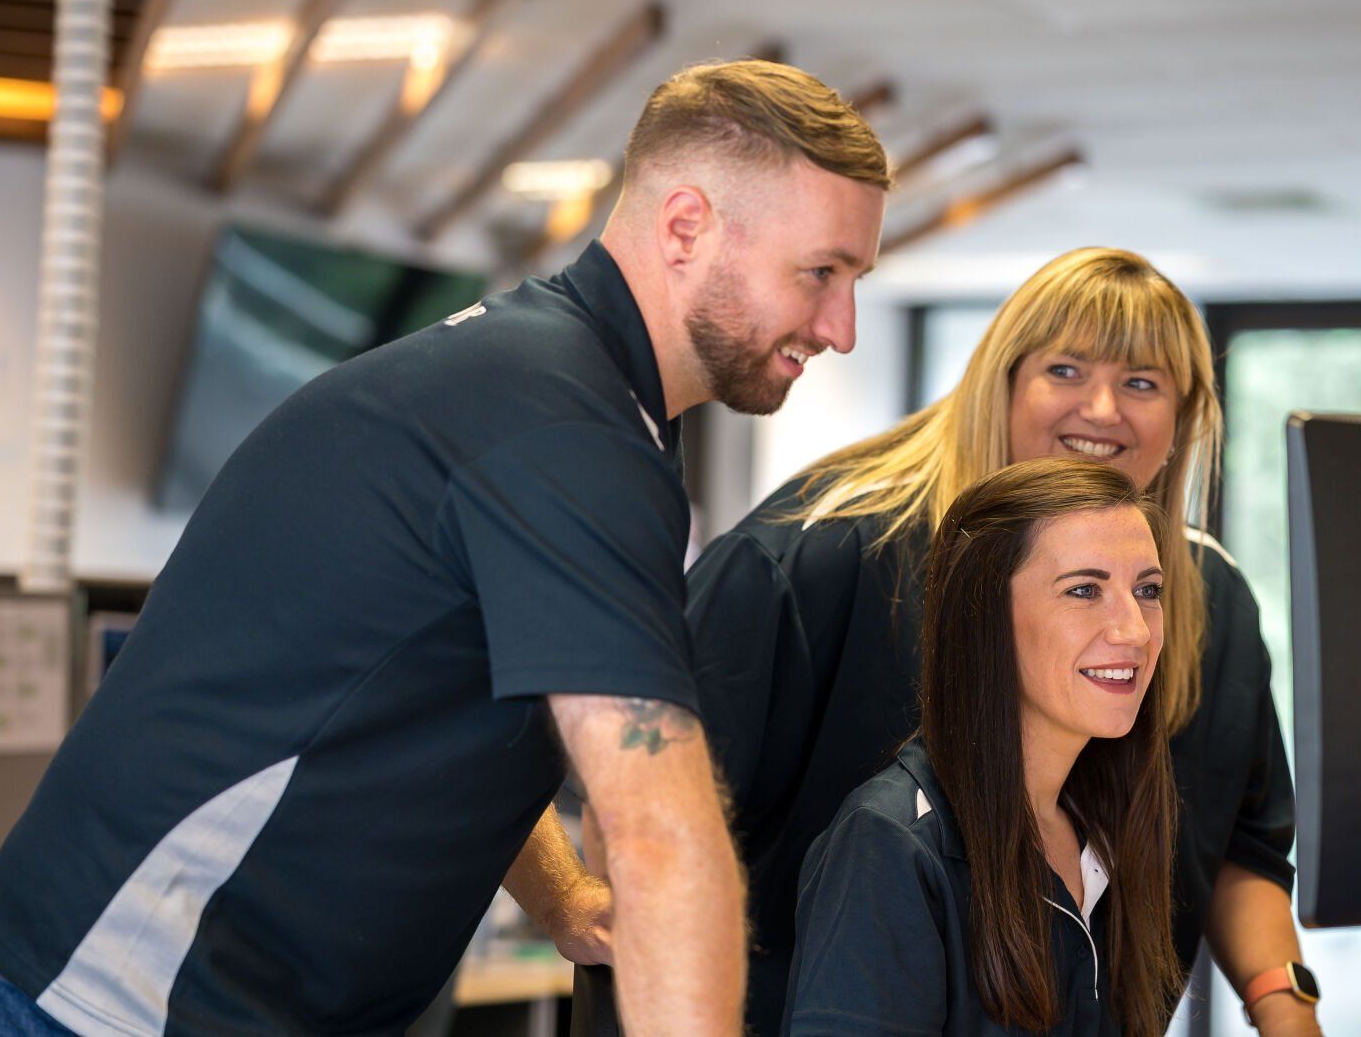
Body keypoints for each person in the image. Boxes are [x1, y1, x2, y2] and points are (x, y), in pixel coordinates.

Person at [0, 59, 888, 1036]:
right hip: (114, 1006)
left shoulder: (551, 392)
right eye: (820, 273)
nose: (840, 327)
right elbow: (663, 834)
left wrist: (563, 895)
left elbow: (434, 701)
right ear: (684, 227)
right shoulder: (565, 435)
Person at [555, 246, 1321, 1035]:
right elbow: (637, 811)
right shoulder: (821, 554)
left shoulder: (1205, 597)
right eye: (1065, 369)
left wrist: (1288, 1013)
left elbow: (1235, 845)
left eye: (1141, 383)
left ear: (1185, 417)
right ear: (1004, 379)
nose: (1101, 409)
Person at [787, 458, 1181, 1035]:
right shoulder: (889, 844)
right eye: (1084, 590)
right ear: (985, 616)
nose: (1136, 631)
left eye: (1147, 589)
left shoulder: (1104, 825)